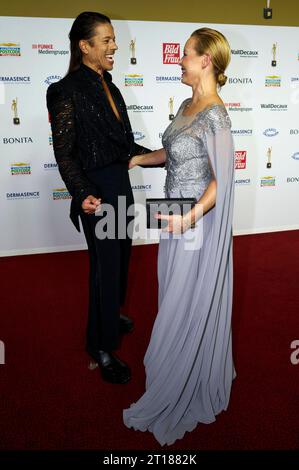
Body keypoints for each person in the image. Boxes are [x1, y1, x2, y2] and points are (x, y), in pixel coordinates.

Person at [123, 28, 235, 445]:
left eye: (186, 54)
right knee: (171, 291)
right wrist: (136, 159)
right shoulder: (188, 105)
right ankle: (176, 360)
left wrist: (189, 218)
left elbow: (221, 182)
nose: (180, 61)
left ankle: (183, 373)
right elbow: (171, 153)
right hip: (173, 216)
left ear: (206, 60)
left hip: (194, 222)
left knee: (183, 298)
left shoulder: (215, 114)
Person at [47, 12, 150, 384]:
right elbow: (65, 152)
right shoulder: (64, 90)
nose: (114, 46)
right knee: (105, 269)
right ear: (85, 46)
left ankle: (112, 315)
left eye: (113, 39)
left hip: (119, 184)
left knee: (122, 258)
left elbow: (122, 146)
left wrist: (162, 154)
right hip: (97, 194)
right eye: (105, 40)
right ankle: (101, 345)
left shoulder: (113, 87)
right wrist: (83, 192)